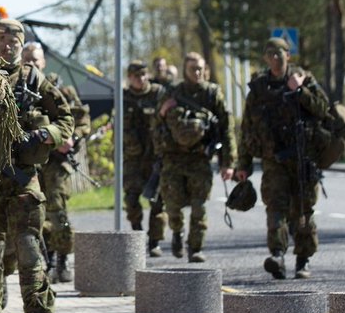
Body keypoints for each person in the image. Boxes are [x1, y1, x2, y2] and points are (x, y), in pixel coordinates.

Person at [0, 20, 72, 313]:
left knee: (29, 249)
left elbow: (65, 120)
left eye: (14, 40)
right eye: (1, 39)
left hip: (25, 180)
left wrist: (46, 134)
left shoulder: (34, 80)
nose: (7, 45)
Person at [235, 38, 332, 279]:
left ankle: (303, 258)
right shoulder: (259, 90)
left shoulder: (303, 79)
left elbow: (323, 109)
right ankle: (277, 254)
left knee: (302, 210)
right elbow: (247, 129)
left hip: (302, 158)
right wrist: (243, 164)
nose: (275, 59)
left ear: (288, 55)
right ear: (266, 58)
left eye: (279, 54)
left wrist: (299, 90)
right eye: (270, 55)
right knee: (275, 208)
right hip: (273, 159)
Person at [21, 41, 90, 283]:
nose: (31, 64)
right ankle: (45, 260)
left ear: (44, 62)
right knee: (35, 215)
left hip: (56, 163)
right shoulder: (17, 88)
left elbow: (81, 122)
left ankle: (63, 259)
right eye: (26, 59)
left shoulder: (60, 89)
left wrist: (70, 139)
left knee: (58, 213)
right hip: (30, 163)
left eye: (35, 60)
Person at [154, 53, 234, 262]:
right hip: (174, 159)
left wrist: (228, 162)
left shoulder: (212, 94)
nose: (197, 73)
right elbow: (155, 124)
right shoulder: (172, 92)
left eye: (200, 68)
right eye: (192, 69)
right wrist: (162, 112)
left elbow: (226, 128)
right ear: (185, 70)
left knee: (200, 206)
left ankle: (195, 247)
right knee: (173, 205)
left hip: (200, 158)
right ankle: (177, 233)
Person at [122, 60, 167, 254]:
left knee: (157, 199)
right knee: (131, 198)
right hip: (133, 157)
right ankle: (137, 233)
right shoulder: (124, 98)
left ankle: (155, 241)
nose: (140, 79)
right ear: (129, 78)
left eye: (143, 75)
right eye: (135, 76)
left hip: (155, 155)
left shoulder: (158, 94)